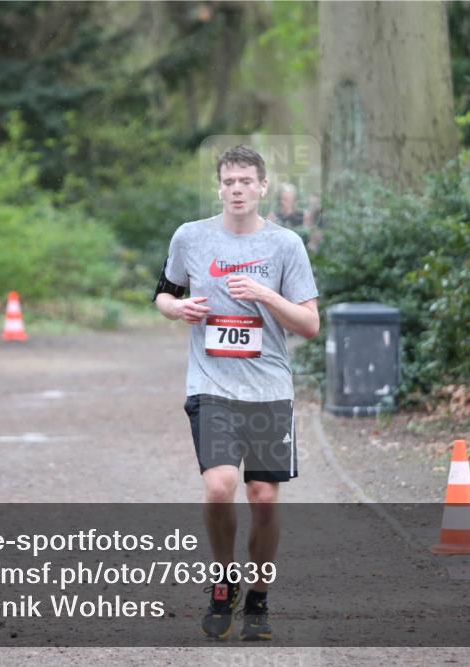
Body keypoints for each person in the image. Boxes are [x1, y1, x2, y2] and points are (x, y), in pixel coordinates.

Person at [152, 145, 319, 641]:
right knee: (220, 486)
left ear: (263, 187)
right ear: (219, 187)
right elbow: (163, 291)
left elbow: (310, 324)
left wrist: (266, 295)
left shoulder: (287, 245)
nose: (237, 189)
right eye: (229, 182)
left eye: (246, 181)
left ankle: (260, 599)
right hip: (211, 385)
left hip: (268, 388)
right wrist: (174, 309)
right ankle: (223, 581)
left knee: (264, 498)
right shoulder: (192, 237)